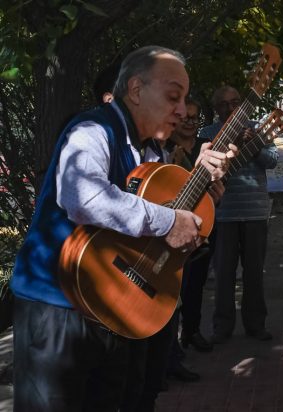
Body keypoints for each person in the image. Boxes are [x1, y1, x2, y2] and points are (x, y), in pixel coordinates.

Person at [10, 45, 236, 411]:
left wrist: (203, 198)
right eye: (173, 97)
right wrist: (168, 220)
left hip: (117, 308)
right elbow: (83, 197)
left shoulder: (153, 154)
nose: (181, 110)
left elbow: (158, 230)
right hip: (58, 308)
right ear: (135, 90)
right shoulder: (92, 130)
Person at [200, 85, 279, 343]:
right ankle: (222, 327)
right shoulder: (208, 133)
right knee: (223, 273)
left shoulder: (257, 129)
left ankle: (256, 325)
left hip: (255, 212)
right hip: (222, 215)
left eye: (235, 102)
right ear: (216, 109)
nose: (231, 108)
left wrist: (253, 144)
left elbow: (273, 160)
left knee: (254, 272)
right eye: (224, 104)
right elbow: (200, 173)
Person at [172, 97, 218, 352]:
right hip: (173, 230)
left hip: (203, 227)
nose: (189, 122)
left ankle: (193, 331)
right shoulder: (165, 148)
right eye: (185, 117)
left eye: (195, 117)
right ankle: (173, 345)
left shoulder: (205, 146)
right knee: (176, 287)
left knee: (197, 283)